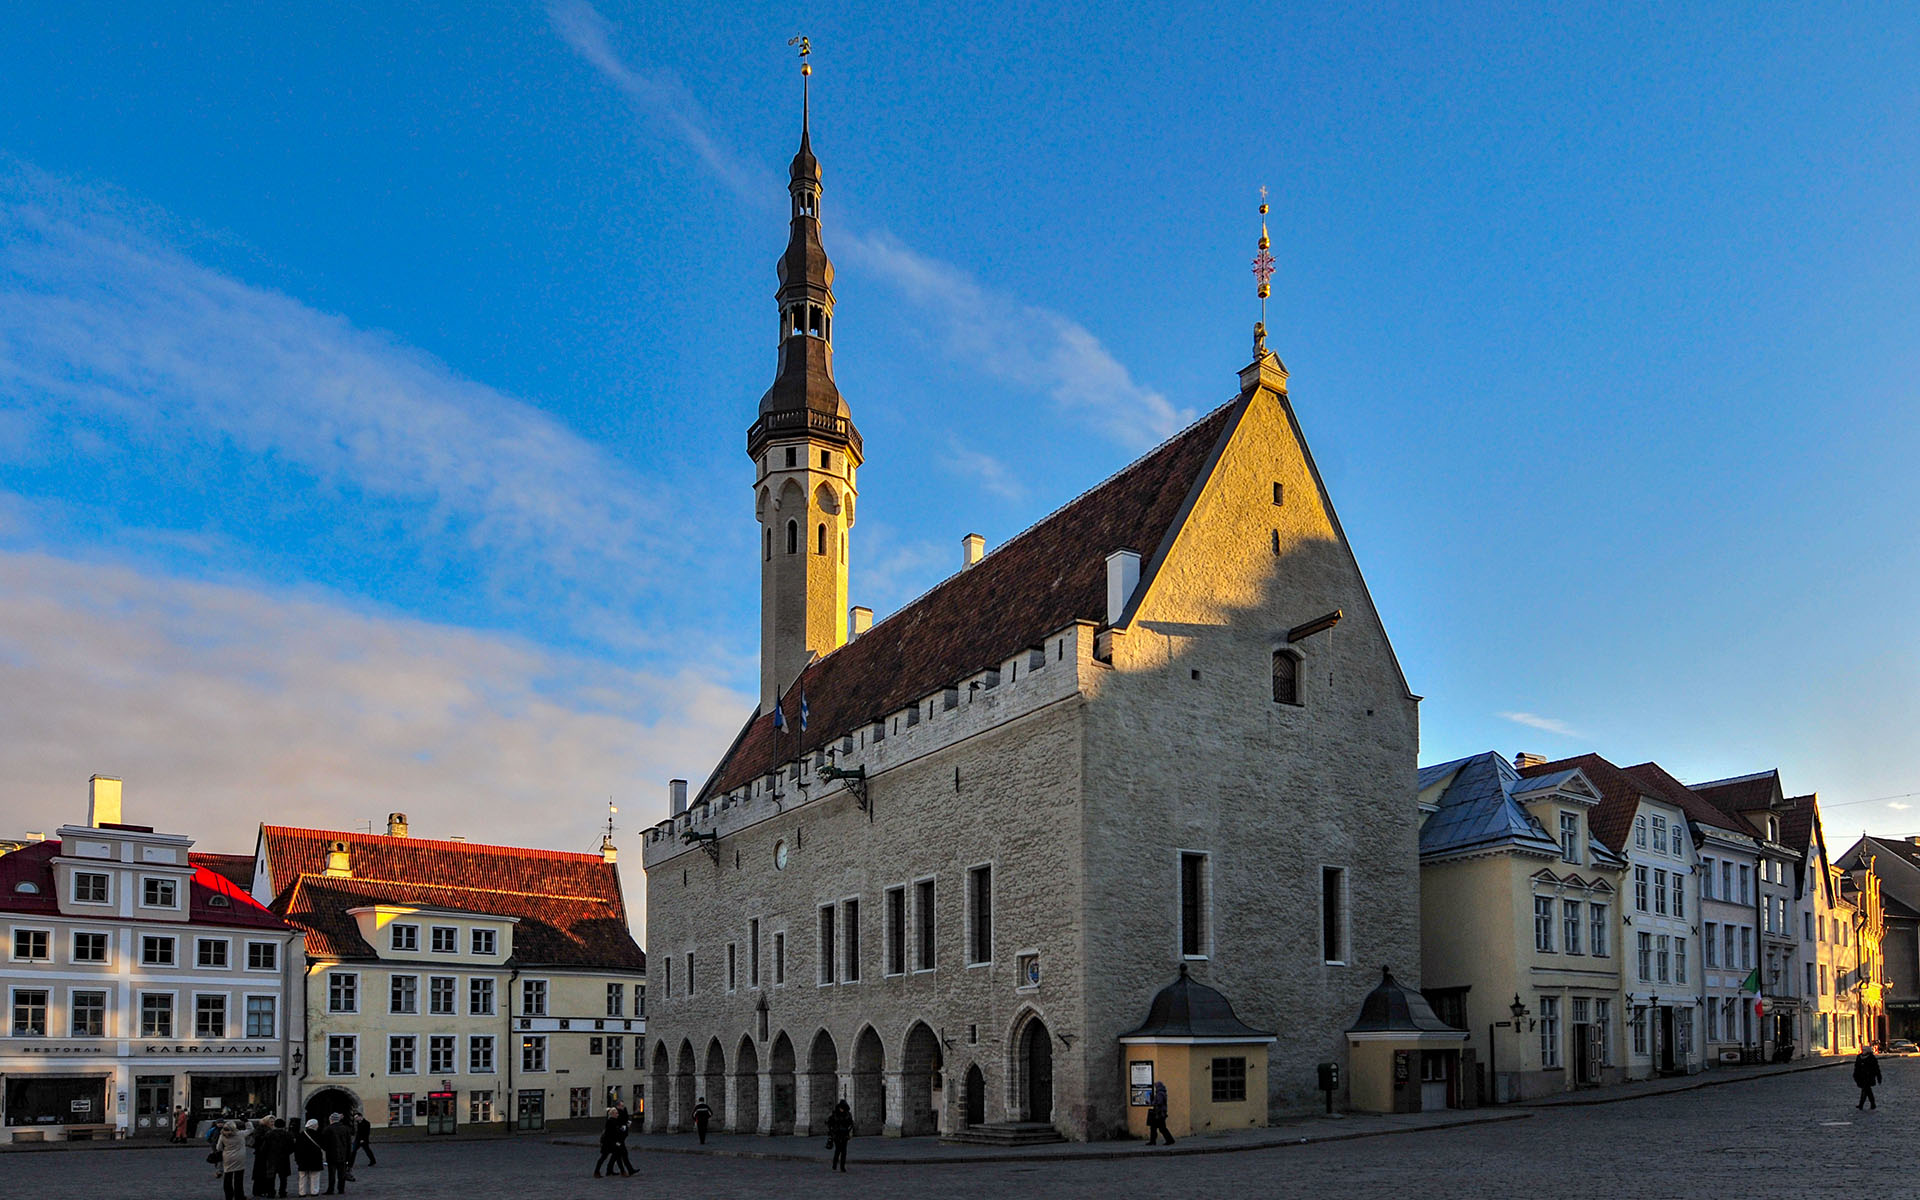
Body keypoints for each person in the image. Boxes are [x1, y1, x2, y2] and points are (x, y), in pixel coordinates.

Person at [321, 1113, 354, 1194]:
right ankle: (341, 1189)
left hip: (331, 1154)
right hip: (343, 1155)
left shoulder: (328, 1129)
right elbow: (349, 1143)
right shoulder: (345, 1128)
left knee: (331, 1174)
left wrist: (327, 1150)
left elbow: (323, 1143)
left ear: (331, 1119)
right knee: (341, 1173)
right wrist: (348, 1155)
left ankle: (331, 1189)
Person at [293, 1120, 326, 1198]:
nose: (318, 1126)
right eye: (317, 1125)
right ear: (314, 1126)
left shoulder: (300, 1135)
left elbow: (296, 1148)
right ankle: (314, 1191)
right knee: (315, 1176)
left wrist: (297, 1159)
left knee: (303, 1176)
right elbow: (323, 1145)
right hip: (315, 1159)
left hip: (302, 1159)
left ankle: (302, 1192)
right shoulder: (319, 1135)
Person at [217, 1120, 248, 1200]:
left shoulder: (222, 1135)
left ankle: (228, 1195)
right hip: (239, 1157)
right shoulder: (240, 1134)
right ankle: (239, 1195)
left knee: (227, 1176)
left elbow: (218, 1147)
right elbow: (250, 1129)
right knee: (238, 1178)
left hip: (227, 1157)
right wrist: (246, 1121)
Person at [268, 1118, 296, 1198]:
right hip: (284, 1158)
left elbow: (265, 1147)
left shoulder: (269, 1134)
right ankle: (282, 1192)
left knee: (271, 1177)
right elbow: (292, 1147)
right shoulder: (288, 1134)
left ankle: (271, 1192)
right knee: (283, 1177)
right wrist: (287, 1152)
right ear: (284, 1126)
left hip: (272, 1158)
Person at [825, 1099, 853, 1172]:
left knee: (844, 1151)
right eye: (841, 1108)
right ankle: (834, 1164)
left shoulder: (848, 1115)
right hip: (836, 1134)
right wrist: (832, 1131)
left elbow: (851, 1124)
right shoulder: (834, 1114)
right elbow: (829, 1123)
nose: (842, 1109)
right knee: (838, 1150)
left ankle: (842, 1166)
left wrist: (848, 1130)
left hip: (844, 1135)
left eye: (843, 1108)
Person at [1145, 1081, 1174, 1146]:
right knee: (1156, 1128)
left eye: (1156, 1086)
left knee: (1160, 1128)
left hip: (1159, 1113)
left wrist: (1152, 1103)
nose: (1155, 1087)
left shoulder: (1160, 1094)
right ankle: (1154, 1141)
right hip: (1160, 1113)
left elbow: (1159, 1103)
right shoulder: (1162, 1093)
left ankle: (1168, 1140)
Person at [1855, 1045, 1883, 1110]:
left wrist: (1879, 1077)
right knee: (1867, 1091)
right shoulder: (1859, 1057)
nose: (1863, 1051)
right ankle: (1872, 1104)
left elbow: (1876, 1068)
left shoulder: (1872, 1058)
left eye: (1865, 1050)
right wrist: (1855, 1075)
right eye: (1863, 1049)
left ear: (1868, 1051)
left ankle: (1861, 1104)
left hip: (1869, 1077)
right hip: (1861, 1076)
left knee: (1865, 1090)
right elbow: (1856, 1067)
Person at [613, 1104, 637, 1176]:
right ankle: (625, 1171)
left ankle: (629, 1170)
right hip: (617, 1139)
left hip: (620, 1139)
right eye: (621, 1105)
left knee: (620, 1155)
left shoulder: (621, 1114)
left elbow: (625, 1120)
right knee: (620, 1155)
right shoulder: (614, 1119)